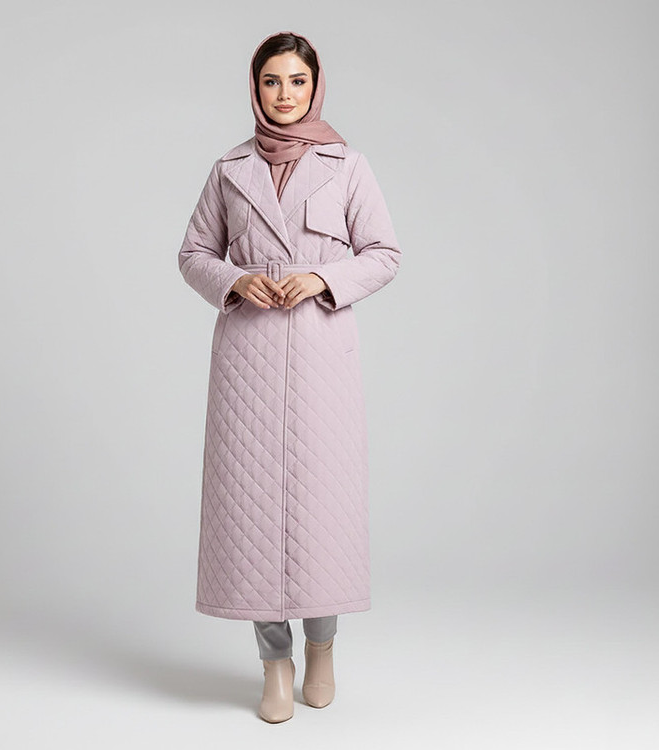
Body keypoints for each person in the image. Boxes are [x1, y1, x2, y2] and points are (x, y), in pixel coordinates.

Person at [177, 30, 402, 723]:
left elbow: (384, 252)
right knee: (250, 514)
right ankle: (275, 666)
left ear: (315, 86)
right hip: (247, 357)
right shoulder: (229, 168)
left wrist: (323, 279)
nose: (284, 94)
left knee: (320, 510)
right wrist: (236, 280)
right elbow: (193, 253)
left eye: (296, 81)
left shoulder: (347, 165)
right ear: (255, 88)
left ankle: (322, 648)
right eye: (272, 81)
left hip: (321, 355)